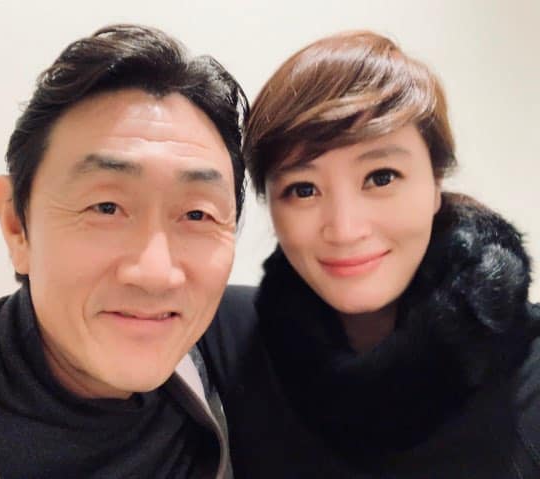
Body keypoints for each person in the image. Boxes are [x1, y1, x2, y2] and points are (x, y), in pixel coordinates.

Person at [0, 24, 247, 478]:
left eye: (198, 214)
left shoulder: (227, 365)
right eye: (106, 207)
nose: (156, 273)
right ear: (16, 226)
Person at [199, 31, 540, 478]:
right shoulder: (226, 337)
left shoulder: (529, 366)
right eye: (303, 189)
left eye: (381, 177)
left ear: (435, 184)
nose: (344, 229)